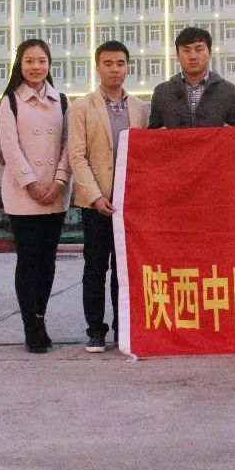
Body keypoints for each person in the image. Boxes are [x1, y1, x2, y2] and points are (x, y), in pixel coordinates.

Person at [68, 40, 149, 353]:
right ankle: (95, 330)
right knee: (95, 268)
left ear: (127, 67)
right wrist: (95, 196)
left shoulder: (139, 107)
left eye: (120, 64)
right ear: (97, 67)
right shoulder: (82, 107)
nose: (114, 70)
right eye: (108, 64)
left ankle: (122, 328)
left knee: (125, 269)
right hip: (96, 203)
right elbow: (77, 155)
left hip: (128, 203)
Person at [0, 39, 70, 354]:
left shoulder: (62, 101)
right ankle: (31, 327)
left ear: (49, 65)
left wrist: (59, 179)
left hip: (55, 192)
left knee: (48, 260)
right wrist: (31, 184)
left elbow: (70, 146)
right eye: (29, 61)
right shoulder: (10, 101)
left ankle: (40, 316)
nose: (36, 67)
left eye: (41, 61)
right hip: (22, 194)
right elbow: (10, 148)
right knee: (28, 261)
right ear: (19, 65)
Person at [149, 26, 235, 128]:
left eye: (199, 49)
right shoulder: (162, 92)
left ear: (210, 53)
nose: (193, 56)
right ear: (178, 55)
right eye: (186, 50)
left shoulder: (227, 91)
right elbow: (153, 134)